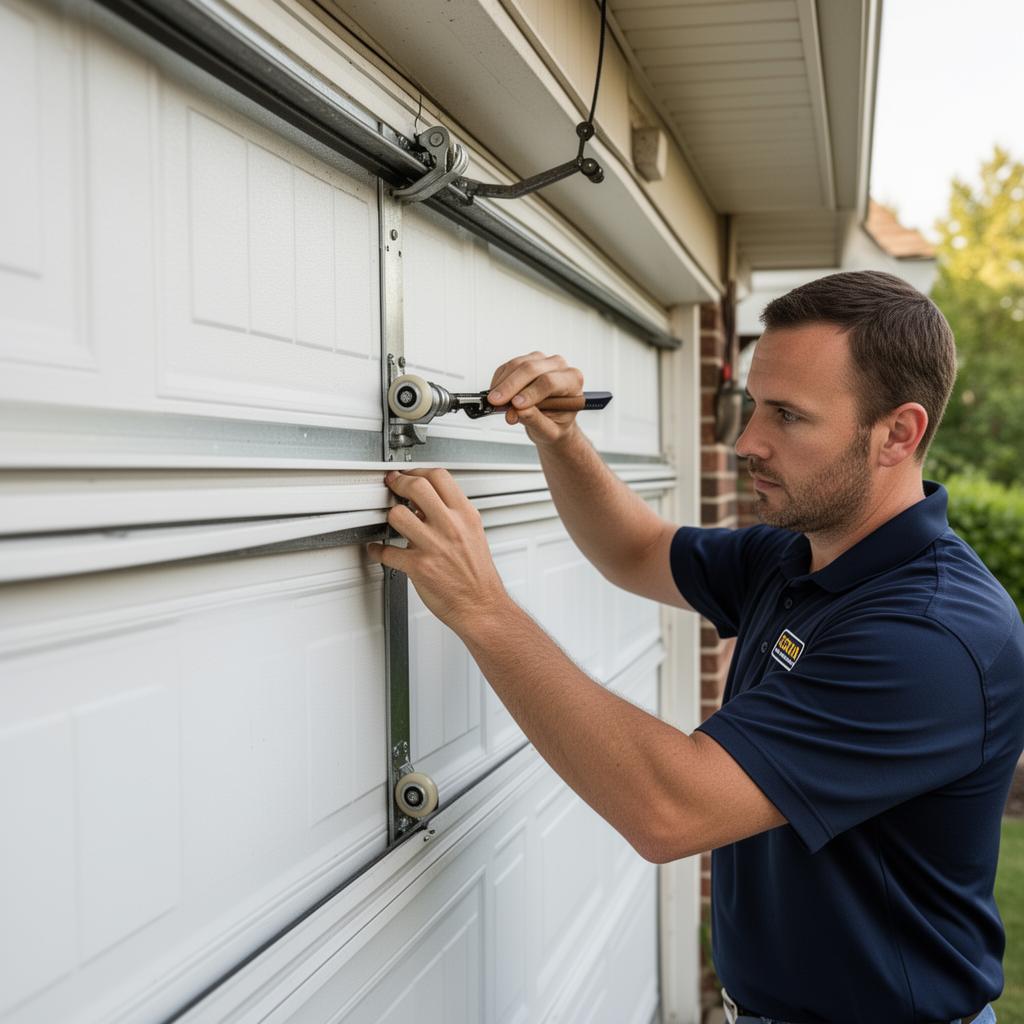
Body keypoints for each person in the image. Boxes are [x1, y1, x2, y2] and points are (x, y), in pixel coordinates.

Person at [367, 270, 1024, 1024]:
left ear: (898, 434)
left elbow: (666, 808)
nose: (748, 440)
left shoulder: (931, 639)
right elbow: (634, 548)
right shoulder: (801, 553)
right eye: (753, 404)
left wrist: (482, 608)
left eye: (787, 415)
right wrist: (563, 436)